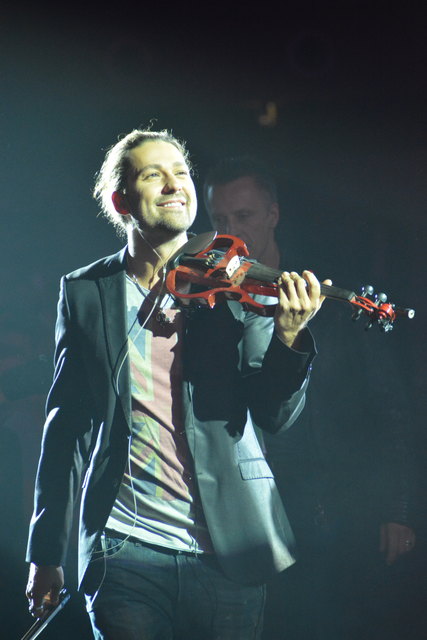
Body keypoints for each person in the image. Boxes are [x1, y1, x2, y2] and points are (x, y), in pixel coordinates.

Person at [25, 129, 330, 640]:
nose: (174, 185)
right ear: (122, 201)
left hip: (230, 549)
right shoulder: (85, 292)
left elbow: (274, 414)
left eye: (181, 173)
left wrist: (289, 337)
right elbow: (66, 429)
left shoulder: (235, 287)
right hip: (125, 548)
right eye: (153, 175)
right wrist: (45, 553)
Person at [203, 155, 418, 639]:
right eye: (220, 219)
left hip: (337, 499)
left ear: (273, 215)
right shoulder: (211, 305)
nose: (232, 232)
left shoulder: (324, 297)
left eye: (244, 216)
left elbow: (387, 403)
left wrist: (398, 509)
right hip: (253, 511)